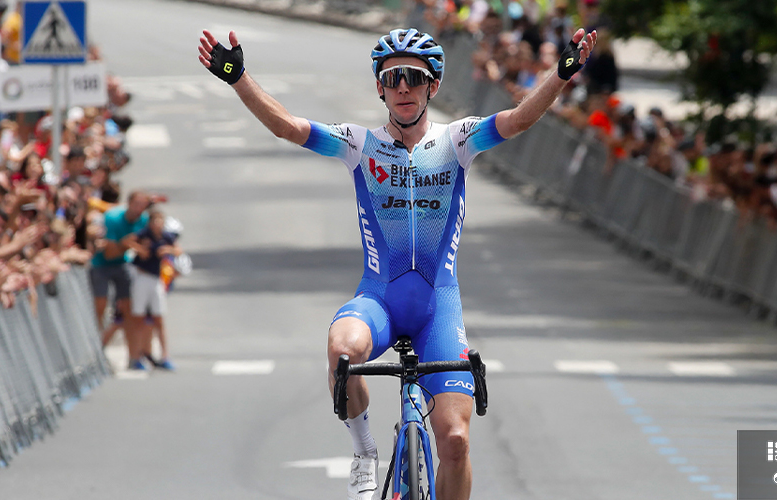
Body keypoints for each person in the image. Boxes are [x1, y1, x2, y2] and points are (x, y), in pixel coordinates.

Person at [198, 26, 596, 500]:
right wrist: (239, 77)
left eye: (414, 77)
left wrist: (562, 74)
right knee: (342, 350)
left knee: (455, 441)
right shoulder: (358, 144)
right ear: (380, 88)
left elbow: (517, 120)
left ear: (433, 86)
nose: (403, 87)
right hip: (379, 300)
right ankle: (365, 450)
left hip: (436, 308)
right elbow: (288, 126)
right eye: (392, 79)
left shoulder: (458, 140)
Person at [90, 190, 150, 370]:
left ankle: (134, 357)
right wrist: (126, 244)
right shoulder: (112, 218)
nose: (139, 209)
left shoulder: (144, 220)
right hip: (101, 265)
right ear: (128, 203)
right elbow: (109, 253)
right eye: (136, 204)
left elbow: (142, 247)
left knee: (129, 310)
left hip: (122, 264)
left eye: (143, 206)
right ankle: (95, 353)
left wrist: (125, 245)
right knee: (100, 307)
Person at [125, 208, 180, 371]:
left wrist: (168, 250)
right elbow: (127, 241)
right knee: (139, 318)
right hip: (142, 277)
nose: (157, 224)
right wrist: (140, 250)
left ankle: (165, 356)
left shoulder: (166, 237)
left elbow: (178, 250)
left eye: (160, 221)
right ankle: (136, 356)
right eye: (154, 221)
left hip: (156, 279)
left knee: (159, 318)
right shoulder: (144, 234)